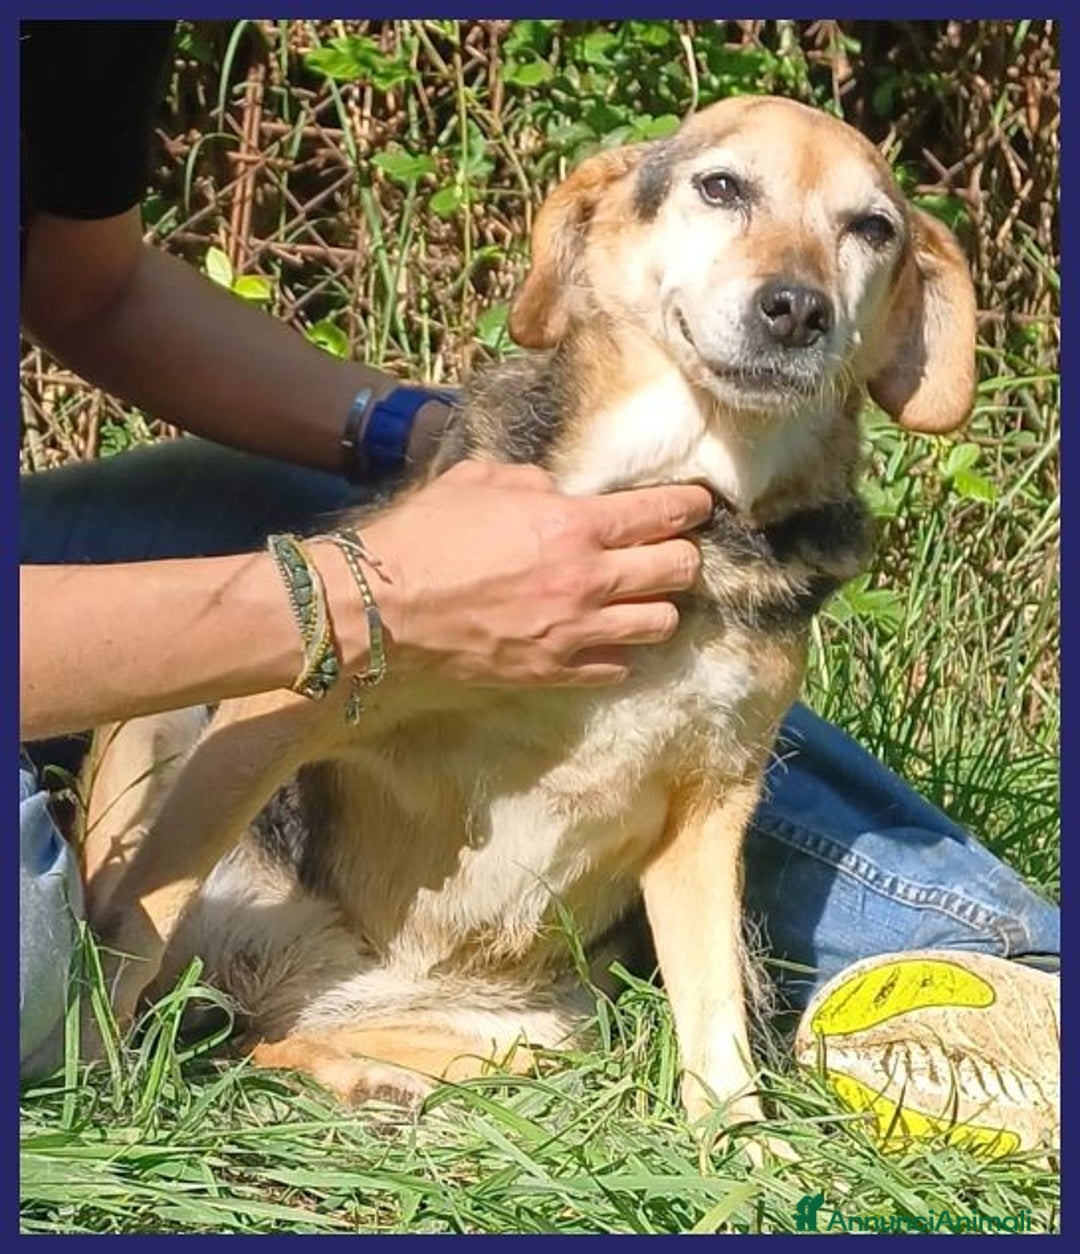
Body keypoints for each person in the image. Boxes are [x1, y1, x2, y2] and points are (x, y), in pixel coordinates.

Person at [19, 20, 1059, 1154]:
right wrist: (375, 597)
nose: (793, 283)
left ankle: (997, 970)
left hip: (486, 987)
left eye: (861, 232)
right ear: (602, 227)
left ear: (900, 303)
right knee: (39, 956)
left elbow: (96, 288)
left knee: (272, 509)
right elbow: (289, 683)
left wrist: (397, 426)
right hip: (276, 888)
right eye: (723, 193)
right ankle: (106, 970)